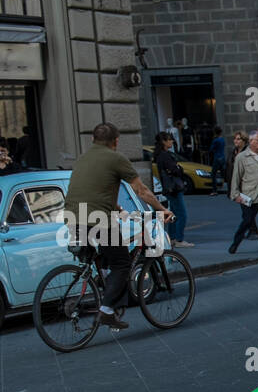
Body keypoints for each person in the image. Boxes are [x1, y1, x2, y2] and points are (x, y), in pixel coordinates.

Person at [64, 122, 172, 330]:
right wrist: (161, 209)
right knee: (122, 262)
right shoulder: (116, 158)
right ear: (116, 141)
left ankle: (107, 296)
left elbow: (94, 189)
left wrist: (116, 206)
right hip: (98, 219)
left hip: (72, 217)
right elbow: (142, 191)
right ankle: (105, 310)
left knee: (106, 257)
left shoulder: (82, 159)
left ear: (92, 140)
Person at [154, 131, 193, 247]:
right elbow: (176, 170)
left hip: (170, 188)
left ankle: (172, 238)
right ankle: (179, 239)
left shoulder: (161, 155)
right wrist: (178, 168)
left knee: (173, 213)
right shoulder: (165, 155)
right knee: (181, 214)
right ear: (163, 142)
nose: (172, 141)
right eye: (169, 139)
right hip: (174, 188)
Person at [209, 126, 227, 195]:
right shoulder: (222, 139)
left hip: (217, 158)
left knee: (213, 174)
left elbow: (211, 149)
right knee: (224, 174)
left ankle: (214, 190)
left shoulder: (215, 140)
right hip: (222, 157)